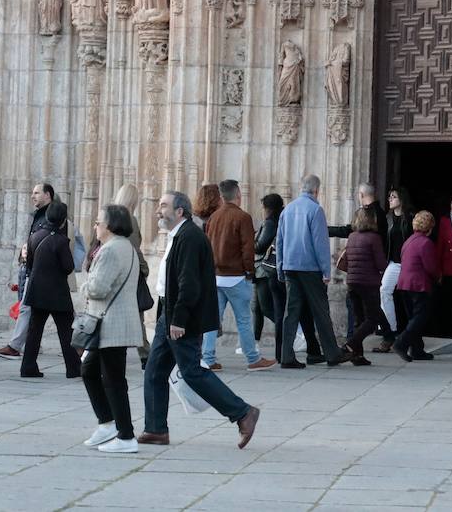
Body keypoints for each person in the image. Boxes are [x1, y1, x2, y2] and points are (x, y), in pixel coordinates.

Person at [138, 191, 260, 449]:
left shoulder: (190, 237)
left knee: (191, 371)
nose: (158, 210)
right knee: (154, 371)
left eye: (163, 206)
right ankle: (156, 429)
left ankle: (242, 413)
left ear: (179, 211)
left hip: (181, 316)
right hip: (167, 312)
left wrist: (179, 319)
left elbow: (189, 283)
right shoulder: (179, 235)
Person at [80, 204, 143, 453]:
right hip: (115, 321)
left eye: (98, 222)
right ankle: (107, 423)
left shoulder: (109, 250)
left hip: (110, 323)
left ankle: (126, 436)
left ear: (109, 225)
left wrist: (84, 285)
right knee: (89, 369)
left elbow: (97, 289)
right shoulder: (126, 246)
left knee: (114, 379)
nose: (95, 226)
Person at [202, 180, 274, 371]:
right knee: (243, 319)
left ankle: (207, 358)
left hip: (215, 275)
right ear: (238, 195)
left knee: (212, 319)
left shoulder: (213, 217)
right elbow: (247, 248)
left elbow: (207, 246)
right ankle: (252, 358)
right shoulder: (242, 217)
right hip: (235, 276)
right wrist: (249, 272)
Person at [276, 174, 344, 368]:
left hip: (290, 266)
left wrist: (281, 266)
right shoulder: (315, 210)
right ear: (317, 190)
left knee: (291, 312)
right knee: (321, 311)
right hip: (310, 268)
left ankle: (287, 356)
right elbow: (320, 243)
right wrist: (326, 271)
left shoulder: (287, 210)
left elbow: (279, 241)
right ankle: (332, 353)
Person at [0, 182, 60, 359]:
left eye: (37, 192)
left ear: (48, 195)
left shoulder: (52, 216)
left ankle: (16, 347)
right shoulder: (39, 215)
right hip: (36, 270)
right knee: (33, 310)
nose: (33, 196)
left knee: (54, 313)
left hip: (43, 272)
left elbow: (55, 242)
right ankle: (23, 348)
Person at [20, 200, 82, 378]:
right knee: (65, 331)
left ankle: (28, 366)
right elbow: (68, 267)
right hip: (57, 293)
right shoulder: (61, 241)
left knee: (34, 331)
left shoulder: (35, 237)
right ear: (63, 220)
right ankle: (73, 368)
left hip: (37, 291)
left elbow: (30, 263)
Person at [112, 182, 152, 368]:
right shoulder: (130, 219)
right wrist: (144, 268)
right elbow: (134, 249)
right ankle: (146, 355)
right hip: (130, 273)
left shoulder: (108, 216)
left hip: (112, 272)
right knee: (137, 317)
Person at [341, 207, 388, 365]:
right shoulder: (374, 238)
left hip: (352, 282)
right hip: (368, 283)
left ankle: (357, 356)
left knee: (358, 319)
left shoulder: (352, 236)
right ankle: (349, 345)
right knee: (372, 319)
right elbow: (381, 263)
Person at [393, 211, 440, 362]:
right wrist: (438, 276)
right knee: (420, 316)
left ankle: (417, 349)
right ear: (430, 227)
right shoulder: (426, 243)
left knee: (413, 317)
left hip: (404, 283)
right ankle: (401, 343)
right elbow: (430, 267)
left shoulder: (409, 241)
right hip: (418, 284)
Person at [376, 187, 413, 353]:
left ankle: (412, 337)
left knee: (409, 299)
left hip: (409, 264)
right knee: (384, 290)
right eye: (389, 196)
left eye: (394, 197)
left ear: (401, 199)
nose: (390, 199)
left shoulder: (411, 217)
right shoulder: (388, 218)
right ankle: (390, 330)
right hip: (394, 263)